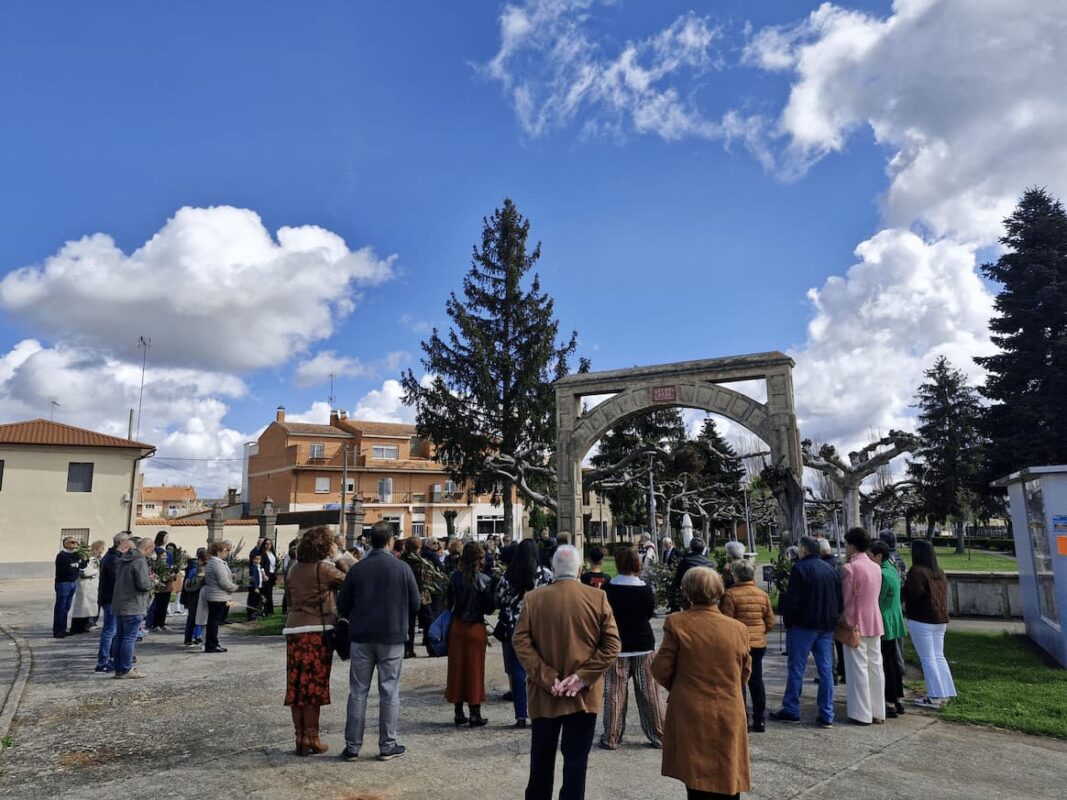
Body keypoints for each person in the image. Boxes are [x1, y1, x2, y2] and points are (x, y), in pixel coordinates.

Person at [512, 545, 620, 800]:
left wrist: (547, 677)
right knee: (576, 764)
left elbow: (521, 642)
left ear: (552, 569)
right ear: (580, 570)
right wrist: (582, 677)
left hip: (544, 694)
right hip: (582, 697)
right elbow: (612, 645)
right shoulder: (597, 598)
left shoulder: (533, 599)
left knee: (540, 763)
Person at [653, 567, 751, 800]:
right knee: (728, 774)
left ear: (687, 591)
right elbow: (744, 672)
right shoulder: (738, 629)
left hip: (691, 709)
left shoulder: (677, 623)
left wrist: (680, 685)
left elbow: (660, 669)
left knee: (696, 779)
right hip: (729, 706)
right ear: (718, 591)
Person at [338, 522, 421, 762]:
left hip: (362, 636)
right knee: (389, 691)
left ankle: (352, 746)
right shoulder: (402, 568)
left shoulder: (358, 569)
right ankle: (388, 744)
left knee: (358, 692)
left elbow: (343, 604)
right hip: (392, 636)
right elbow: (415, 604)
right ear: (390, 540)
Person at [282, 526, 346, 756]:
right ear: (325, 546)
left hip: (294, 629)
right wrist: (338, 556)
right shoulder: (325, 569)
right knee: (313, 687)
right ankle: (312, 737)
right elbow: (353, 578)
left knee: (297, 686)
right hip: (317, 629)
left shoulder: (293, 569)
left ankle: (299, 737)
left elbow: (289, 599)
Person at [770, 535, 842, 727]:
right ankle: (827, 712)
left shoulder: (800, 568)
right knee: (825, 670)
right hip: (825, 625)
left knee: (796, 668)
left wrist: (789, 621)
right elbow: (838, 598)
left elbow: (793, 600)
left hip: (803, 625)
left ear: (803, 550)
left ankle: (792, 708)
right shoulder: (830, 569)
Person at [600, 546, 664, 750]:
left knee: (614, 693)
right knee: (650, 693)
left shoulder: (608, 588)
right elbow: (648, 612)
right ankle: (659, 733)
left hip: (616, 645)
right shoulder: (644, 588)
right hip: (643, 643)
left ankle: (612, 736)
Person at [496, 538, 554, 728]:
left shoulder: (509, 574)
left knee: (518, 671)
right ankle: (540, 709)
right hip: (540, 626)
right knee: (540, 668)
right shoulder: (545, 575)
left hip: (516, 625)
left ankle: (521, 715)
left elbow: (501, 599)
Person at [721, 559, 776, 732]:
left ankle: (742, 719)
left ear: (736, 575)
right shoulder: (762, 594)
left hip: (738, 643)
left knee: (739, 682)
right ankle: (760, 719)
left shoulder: (730, 595)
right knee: (756, 680)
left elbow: (726, 620)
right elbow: (770, 621)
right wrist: (761, 632)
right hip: (758, 643)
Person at [446, 541, 496, 727]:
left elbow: (448, 602)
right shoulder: (484, 580)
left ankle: (458, 711)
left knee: (457, 669)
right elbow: (490, 608)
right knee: (475, 670)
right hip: (475, 628)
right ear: (479, 559)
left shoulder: (454, 578)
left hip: (457, 626)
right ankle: (475, 712)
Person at [902, 539, 956, 709]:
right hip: (939, 619)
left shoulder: (917, 572)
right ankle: (945, 691)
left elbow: (912, 594)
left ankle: (934, 695)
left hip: (922, 619)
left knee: (927, 658)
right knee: (938, 656)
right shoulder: (938, 571)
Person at [840, 527, 886, 725]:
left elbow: (846, 598)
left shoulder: (849, 568)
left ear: (851, 545)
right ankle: (878, 710)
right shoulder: (876, 567)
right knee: (875, 666)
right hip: (874, 619)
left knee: (857, 668)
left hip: (855, 621)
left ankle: (861, 712)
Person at [870, 540, 906, 718]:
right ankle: (898, 699)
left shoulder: (882, 573)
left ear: (878, 556)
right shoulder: (892, 569)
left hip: (884, 620)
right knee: (893, 660)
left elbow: (878, 598)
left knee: (886, 663)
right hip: (894, 618)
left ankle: (890, 700)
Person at [112, 537, 156, 678]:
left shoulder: (125, 559)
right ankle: (126, 669)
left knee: (120, 637)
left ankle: (119, 668)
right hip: (133, 604)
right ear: (147, 548)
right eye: (151, 550)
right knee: (129, 638)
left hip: (120, 603)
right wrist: (153, 582)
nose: (151, 554)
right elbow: (143, 584)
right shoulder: (139, 560)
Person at [400, 536, 443, 659]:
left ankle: (408, 649)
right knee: (428, 621)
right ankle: (431, 649)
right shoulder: (420, 561)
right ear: (418, 547)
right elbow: (425, 578)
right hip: (422, 595)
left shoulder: (403, 559)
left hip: (407, 595)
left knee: (409, 623)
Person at [95, 532, 131, 672]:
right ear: (122, 543)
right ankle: (103, 661)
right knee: (110, 630)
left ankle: (109, 657)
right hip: (111, 598)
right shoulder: (113, 559)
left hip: (110, 597)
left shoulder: (113, 557)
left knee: (112, 630)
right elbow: (118, 579)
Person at [201, 540, 238, 653]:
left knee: (213, 621)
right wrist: (236, 587)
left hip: (216, 595)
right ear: (218, 551)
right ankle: (212, 644)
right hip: (217, 596)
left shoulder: (216, 562)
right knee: (214, 622)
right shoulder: (216, 563)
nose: (227, 553)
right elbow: (223, 582)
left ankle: (212, 643)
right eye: (225, 550)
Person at [70, 540, 105, 634]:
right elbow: (84, 572)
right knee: (83, 607)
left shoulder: (98, 558)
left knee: (90, 607)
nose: (103, 550)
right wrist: (97, 572)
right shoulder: (89, 559)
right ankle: (81, 627)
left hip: (93, 585)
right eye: (102, 548)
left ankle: (87, 625)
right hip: (86, 586)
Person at [53, 536, 82, 637]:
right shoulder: (62, 556)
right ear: (66, 544)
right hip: (63, 583)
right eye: (72, 542)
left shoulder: (76, 555)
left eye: (76, 543)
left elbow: (82, 565)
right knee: (60, 607)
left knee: (66, 607)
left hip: (72, 582)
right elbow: (67, 569)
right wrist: (76, 566)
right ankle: (58, 630)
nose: (75, 545)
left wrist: (80, 563)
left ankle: (63, 628)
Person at [673, 538, 713, 607]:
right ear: (703, 548)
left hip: (690, 594)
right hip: (706, 593)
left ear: (691, 547)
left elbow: (678, 578)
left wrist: (677, 587)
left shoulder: (686, 560)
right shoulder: (709, 563)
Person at [183, 548, 208, 646]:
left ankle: (195, 636)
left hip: (196, 597)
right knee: (194, 618)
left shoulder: (195, 569)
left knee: (196, 618)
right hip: (195, 597)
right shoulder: (194, 570)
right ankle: (193, 637)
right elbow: (189, 584)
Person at [259, 537, 279, 615]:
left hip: (272, 574)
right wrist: (264, 575)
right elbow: (261, 565)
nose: (268, 545)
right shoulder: (262, 553)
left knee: (270, 593)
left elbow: (274, 564)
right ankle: (266, 610)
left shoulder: (272, 553)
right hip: (266, 574)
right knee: (267, 593)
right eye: (266, 544)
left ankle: (270, 610)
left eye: (269, 544)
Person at [247, 553, 266, 621]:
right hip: (254, 588)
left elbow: (260, 577)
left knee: (258, 601)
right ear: (252, 559)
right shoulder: (252, 568)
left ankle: (256, 613)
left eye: (259, 559)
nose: (258, 560)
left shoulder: (259, 567)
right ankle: (250, 615)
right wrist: (255, 587)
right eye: (256, 559)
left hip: (260, 586)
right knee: (252, 601)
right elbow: (253, 579)